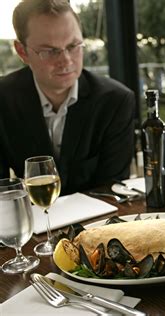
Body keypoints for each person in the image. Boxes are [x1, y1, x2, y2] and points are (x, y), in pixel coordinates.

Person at [0, 0, 135, 195]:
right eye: (49, 51)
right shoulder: (3, 98)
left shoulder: (115, 101)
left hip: (96, 219)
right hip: (34, 220)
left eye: (73, 46)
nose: (66, 61)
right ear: (22, 52)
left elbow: (112, 189)